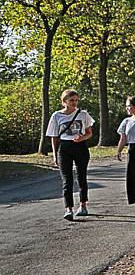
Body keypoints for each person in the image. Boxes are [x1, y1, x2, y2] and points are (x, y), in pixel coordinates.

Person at [46, 89, 95, 221]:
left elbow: (89, 132)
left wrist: (82, 138)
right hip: (64, 147)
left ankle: (83, 205)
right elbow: (54, 137)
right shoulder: (56, 116)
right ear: (64, 102)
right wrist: (55, 155)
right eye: (71, 100)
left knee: (81, 177)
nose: (74, 103)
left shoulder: (83, 114)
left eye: (76, 100)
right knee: (67, 180)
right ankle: (68, 209)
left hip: (80, 147)